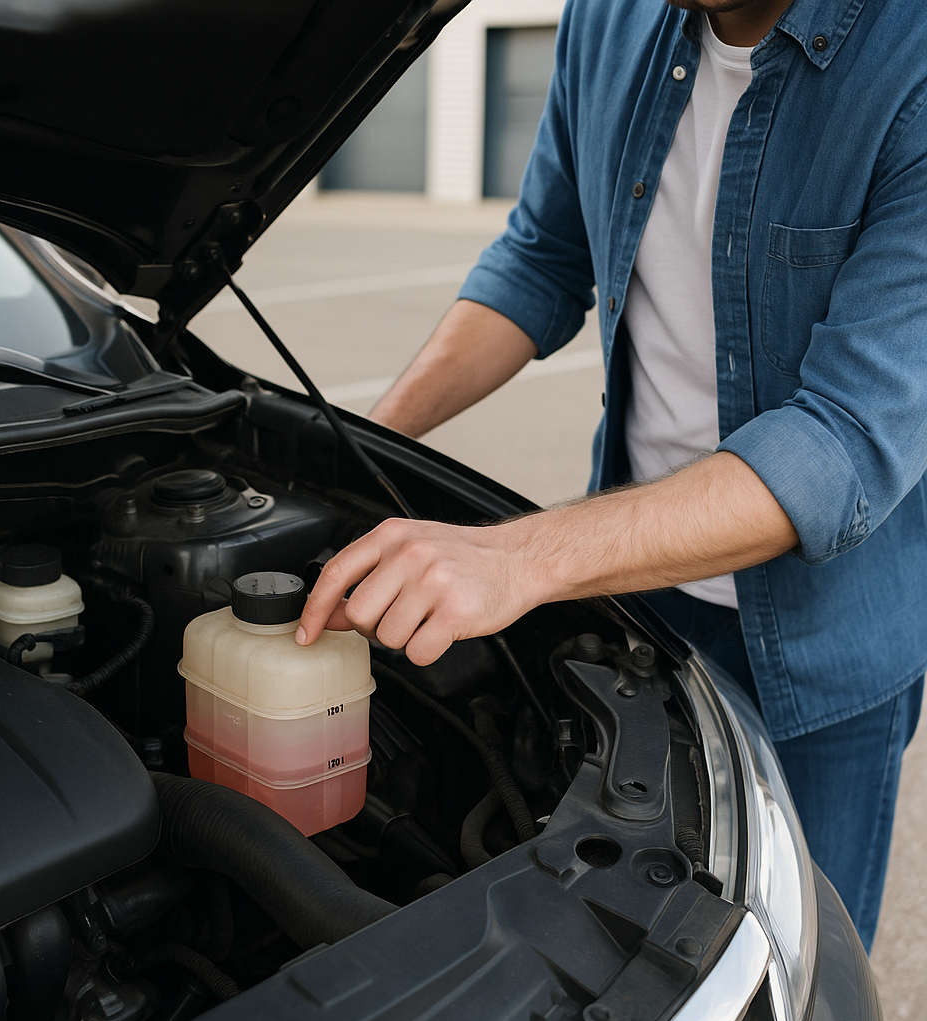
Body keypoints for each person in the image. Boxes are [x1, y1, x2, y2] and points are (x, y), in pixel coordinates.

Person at [298, 0, 927, 951]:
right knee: (620, 946)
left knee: (794, 967)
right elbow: (540, 261)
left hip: (826, 645)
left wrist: (519, 558)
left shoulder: (910, 65)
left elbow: (842, 439)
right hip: (634, 596)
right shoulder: (610, 19)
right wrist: (359, 440)